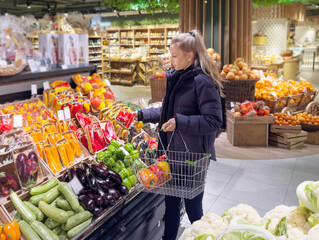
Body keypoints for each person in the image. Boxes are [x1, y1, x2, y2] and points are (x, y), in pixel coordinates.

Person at [137, 29, 223, 240]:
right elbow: (168, 113)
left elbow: (214, 121)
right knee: (171, 206)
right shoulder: (178, 77)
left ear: (190, 55)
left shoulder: (202, 81)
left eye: (175, 56)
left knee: (194, 211)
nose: (170, 60)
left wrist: (180, 122)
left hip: (193, 159)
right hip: (172, 155)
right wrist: (140, 114)